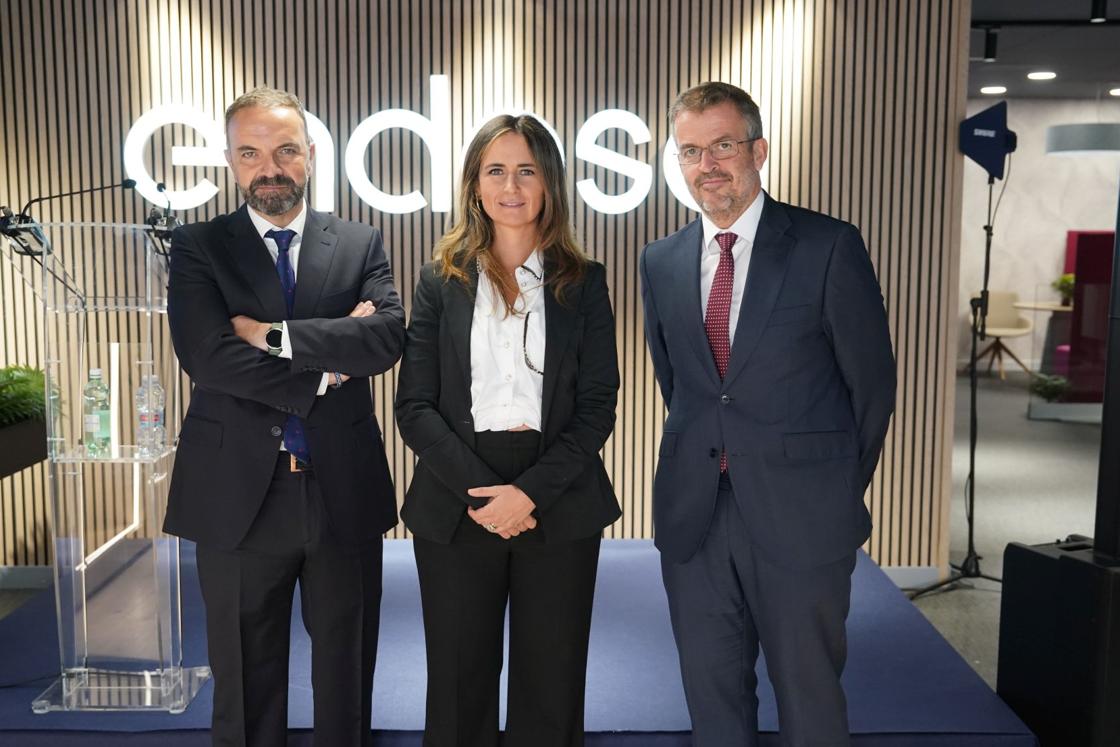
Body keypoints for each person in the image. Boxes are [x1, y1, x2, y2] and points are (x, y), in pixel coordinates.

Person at [640, 82, 896, 746]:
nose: (707, 165)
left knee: (810, 701)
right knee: (713, 701)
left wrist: (832, 488)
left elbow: (871, 387)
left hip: (803, 515)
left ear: (758, 150)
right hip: (696, 516)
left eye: (723, 145)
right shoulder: (660, 262)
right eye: (690, 151)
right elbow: (683, 386)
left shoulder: (827, 246)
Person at [164, 86, 405, 746]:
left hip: (341, 490)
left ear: (312, 154)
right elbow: (209, 359)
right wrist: (328, 368)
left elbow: (385, 338)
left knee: (346, 678)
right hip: (238, 494)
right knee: (245, 687)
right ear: (230, 160)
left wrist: (271, 337)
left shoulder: (358, 242)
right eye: (250, 153)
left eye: (285, 150)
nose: (269, 168)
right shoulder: (198, 246)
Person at [395, 113, 621, 747]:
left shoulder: (585, 281)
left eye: (527, 170)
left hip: (559, 493)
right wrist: (485, 496)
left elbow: (597, 405)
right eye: (495, 170)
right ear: (475, 184)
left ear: (548, 183)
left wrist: (529, 494)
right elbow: (414, 406)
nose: (511, 186)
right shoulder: (440, 280)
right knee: (458, 685)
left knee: (552, 685)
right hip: (457, 493)